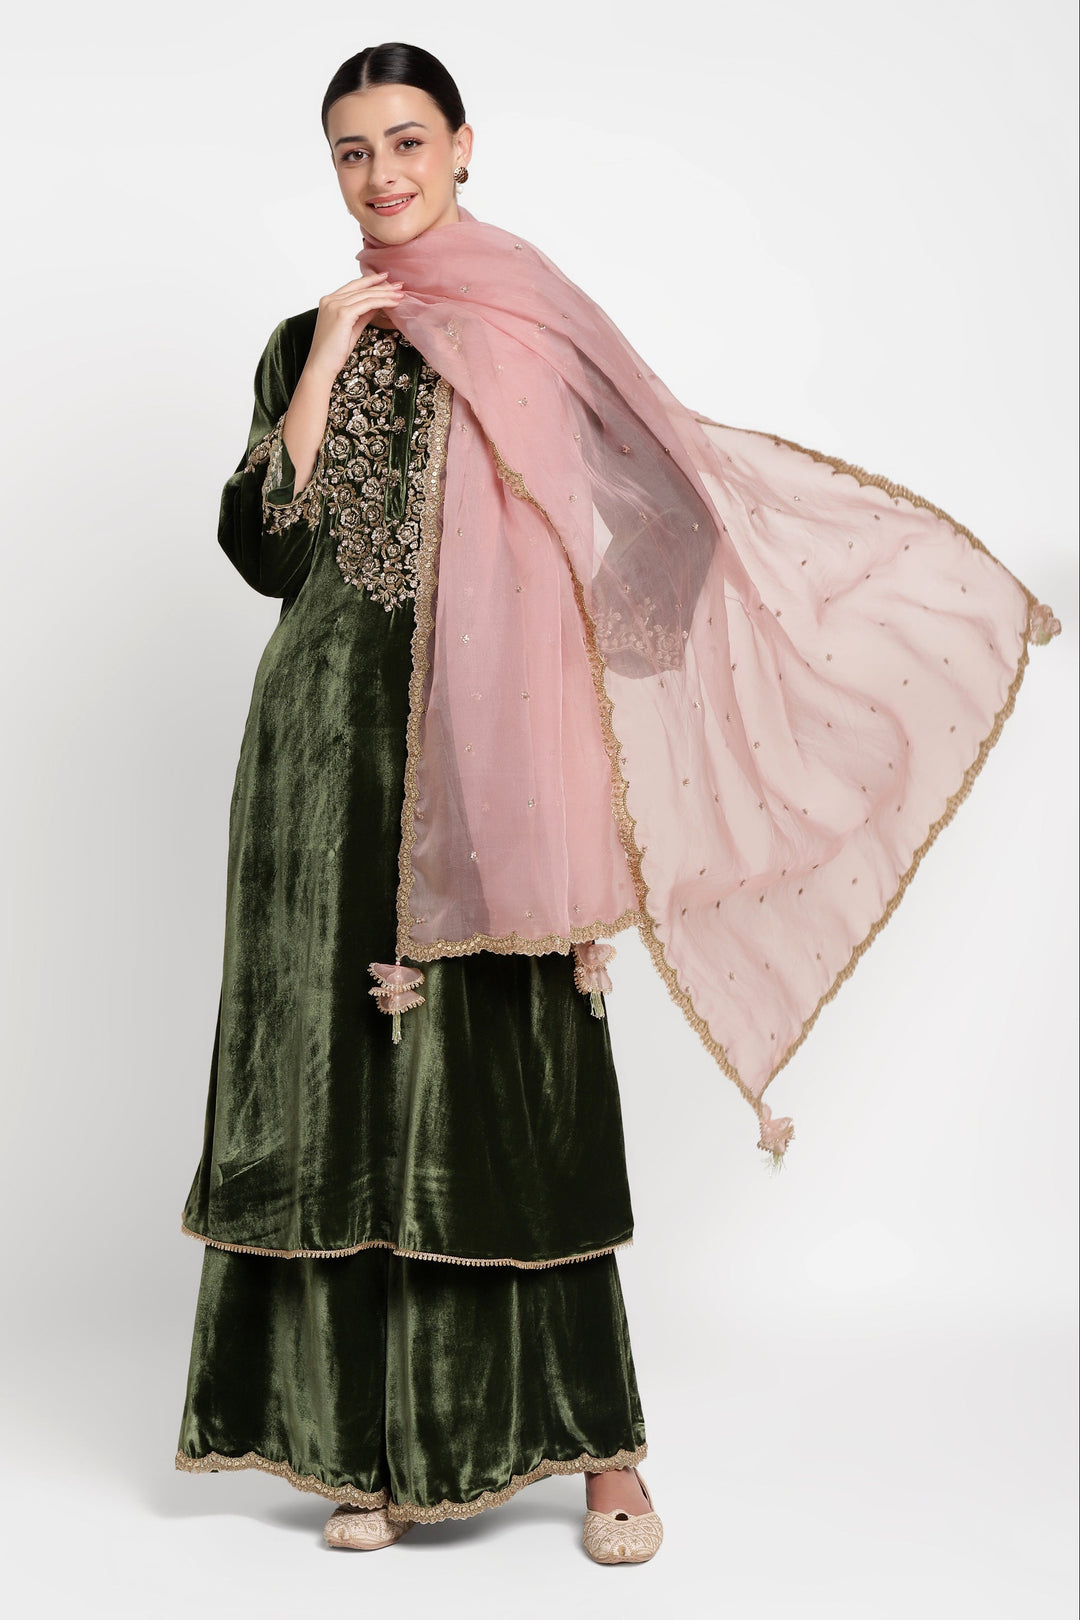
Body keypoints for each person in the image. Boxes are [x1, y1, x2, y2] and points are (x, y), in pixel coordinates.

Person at [174, 40, 1059, 1564]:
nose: (380, 176)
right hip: (323, 770)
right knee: (338, 1092)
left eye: (405, 141)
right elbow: (266, 547)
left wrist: (559, 707)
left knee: (517, 1088)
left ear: (463, 145)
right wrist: (323, 356)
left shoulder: (538, 328)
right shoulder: (297, 341)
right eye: (348, 152)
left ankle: (604, 1456)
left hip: (495, 773)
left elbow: (671, 540)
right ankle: (356, 1448)